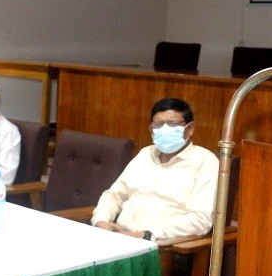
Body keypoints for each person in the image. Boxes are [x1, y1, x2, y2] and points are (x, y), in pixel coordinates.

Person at [91, 97, 219, 241]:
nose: (165, 130)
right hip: (119, 236)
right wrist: (101, 221)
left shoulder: (205, 162)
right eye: (158, 125)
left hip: (161, 244)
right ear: (151, 129)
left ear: (190, 128)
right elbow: (114, 195)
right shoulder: (146, 153)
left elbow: (201, 220)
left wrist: (147, 234)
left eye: (172, 124)